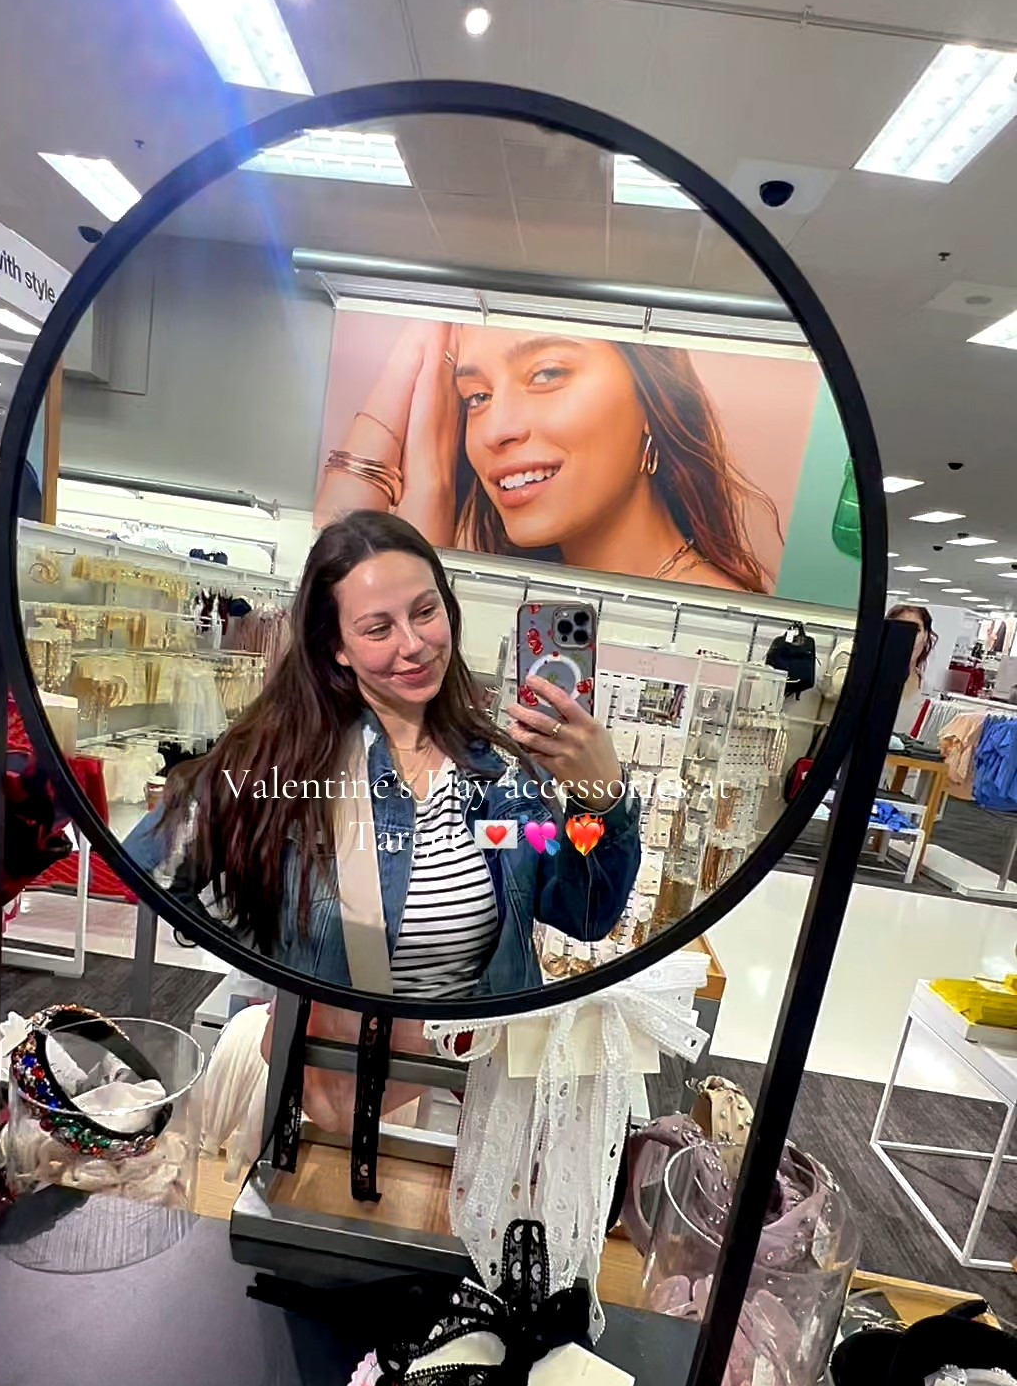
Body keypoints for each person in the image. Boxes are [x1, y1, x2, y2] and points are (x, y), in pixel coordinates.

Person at [125, 510, 640, 999]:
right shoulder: (279, 763)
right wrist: (271, 977)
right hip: (332, 1076)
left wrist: (601, 797)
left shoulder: (500, 774)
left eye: (425, 611)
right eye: (378, 629)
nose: (414, 644)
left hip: (471, 1077)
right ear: (337, 646)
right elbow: (150, 868)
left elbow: (584, 911)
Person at [315, 321, 777, 591]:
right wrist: (432, 489)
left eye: (547, 374)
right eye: (476, 397)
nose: (496, 431)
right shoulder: (513, 595)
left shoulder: (717, 612)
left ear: (652, 403)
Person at [888, 602, 936, 735]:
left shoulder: (928, 692)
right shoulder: (869, 680)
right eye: (901, 629)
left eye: (916, 630)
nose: (908, 637)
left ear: (926, 636)